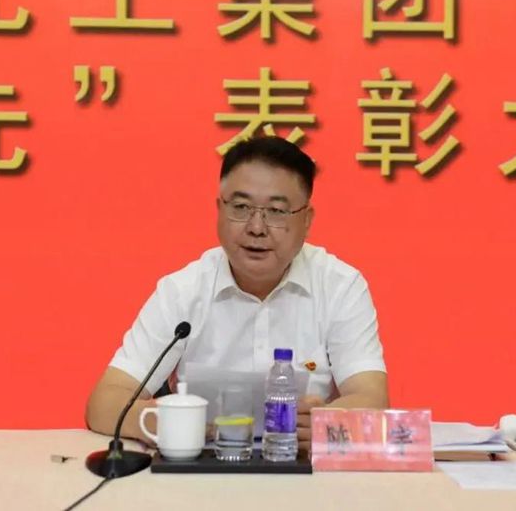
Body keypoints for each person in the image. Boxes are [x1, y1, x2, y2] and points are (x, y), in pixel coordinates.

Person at [86, 136, 388, 448]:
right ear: (219, 209)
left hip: (299, 462)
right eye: (241, 207)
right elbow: (104, 403)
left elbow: (372, 398)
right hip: (198, 467)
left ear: (306, 220)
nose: (256, 227)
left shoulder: (340, 286)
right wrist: (161, 420)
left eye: (276, 211)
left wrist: (326, 422)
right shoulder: (182, 291)